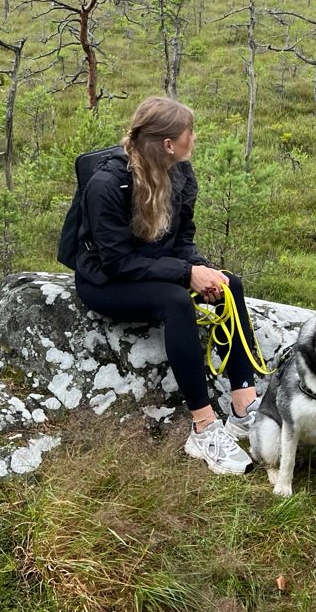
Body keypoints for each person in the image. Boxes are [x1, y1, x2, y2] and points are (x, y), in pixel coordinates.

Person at [74, 96, 263, 475]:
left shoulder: (180, 172)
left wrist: (200, 268)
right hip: (106, 280)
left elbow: (182, 239)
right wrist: (185, 274)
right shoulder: (107, 184)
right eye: (189, 132)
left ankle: (244, 407)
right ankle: (204, 427)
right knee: (176, 302)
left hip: (152, 265)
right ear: (168, 144)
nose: (194, 138)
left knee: (229, 284)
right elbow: (117, 262)